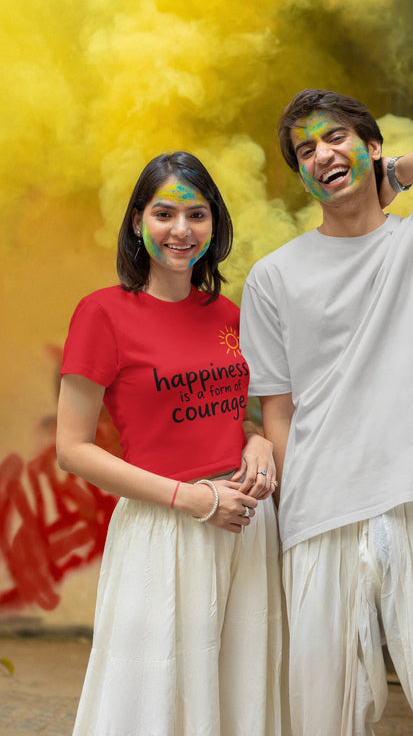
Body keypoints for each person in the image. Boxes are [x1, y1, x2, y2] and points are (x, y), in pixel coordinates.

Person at [239, 89, 413, 736]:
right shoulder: (272, 277)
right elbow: (278, 411)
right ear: (300, 174)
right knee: (324, 717)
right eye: (305, 150)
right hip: (323, 512)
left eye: (335, 137)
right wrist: (293, 516)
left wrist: (393, 174)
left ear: (370, 145)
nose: (321, 154)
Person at [56, 152, 282, 736]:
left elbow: (223, 414)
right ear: (138, 222)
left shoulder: (229, 315)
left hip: (244, 525)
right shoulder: (102, 313)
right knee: (152, 698)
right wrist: (193, 500)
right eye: (164, 214)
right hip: (165, 524)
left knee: (239, 691)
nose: (181, 230)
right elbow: (72, 449)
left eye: (196, 214)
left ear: (214, 223)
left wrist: (256, 441)